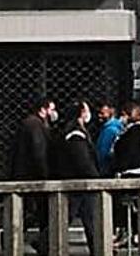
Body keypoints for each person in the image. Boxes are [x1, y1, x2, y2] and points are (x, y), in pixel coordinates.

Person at [51, 101, 101, 255]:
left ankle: (97, 248)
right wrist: (95, 176)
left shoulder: (74, 132)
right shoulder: (75, 134)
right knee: (81, 217)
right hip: (81, 183)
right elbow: (82, 161)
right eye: (86, 110)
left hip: (79, 182)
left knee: (75, 217)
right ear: (80, 113)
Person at [11, 97, 56, 254]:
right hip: (33, 176)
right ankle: (42, 243)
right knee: (37, 211)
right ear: (43, 110)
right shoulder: (35, 125)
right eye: (51, 109)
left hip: (26, 174)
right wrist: (45, 174)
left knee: (31, 211)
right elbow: (39, 152)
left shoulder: (30, 124)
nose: (53, 113)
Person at [110, 103, 140, 178]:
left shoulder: (132, 132)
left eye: (123, 115)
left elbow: (128, 151)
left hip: (132, 170)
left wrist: (120, 169)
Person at [95, 103, 127, 175]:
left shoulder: (110, 130)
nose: (99, 116)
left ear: (111, 112)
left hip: (106, 169)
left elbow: (104, 152)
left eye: (102, 113)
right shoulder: (108, 128)